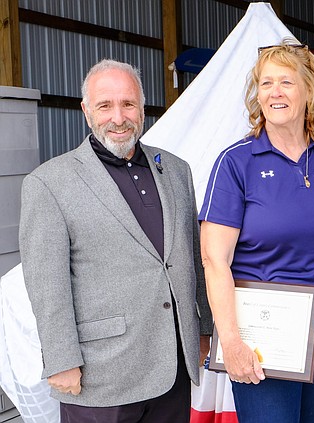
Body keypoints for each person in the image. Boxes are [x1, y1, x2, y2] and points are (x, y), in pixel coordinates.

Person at [18, 59, 213, 422]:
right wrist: (61, 360)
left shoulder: (175, 169)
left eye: (128, 104)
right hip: (102, 375)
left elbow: (193, 255)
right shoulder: (49, 183)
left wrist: (202, 329)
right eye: (105, 105)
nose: (118, 117)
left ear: (142, 107)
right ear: (86, 111)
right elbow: (47, 286)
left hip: (173, 367)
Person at [199, 40, 314, 422]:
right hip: (263, 339)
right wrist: (230, 341)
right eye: (266, 83)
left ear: (309, 91)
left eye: (286, 82)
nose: (275, 92)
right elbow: (215, 260)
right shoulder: (236, 162)